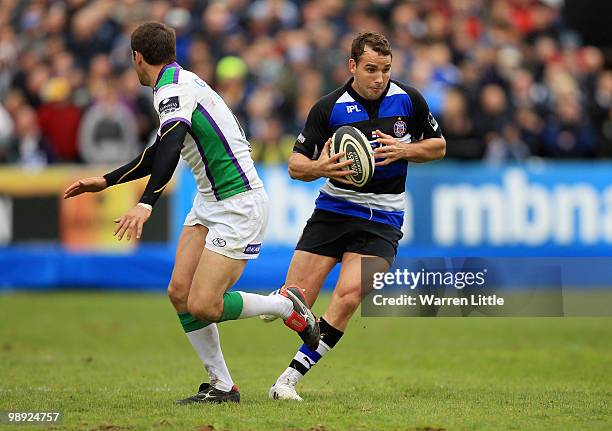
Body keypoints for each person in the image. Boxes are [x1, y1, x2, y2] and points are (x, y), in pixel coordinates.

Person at [63, 21, 319, 404]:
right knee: (180, 292)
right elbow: (160, 148)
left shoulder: (173, 88)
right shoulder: (177, 83)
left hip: (238, 202)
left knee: (204, 305)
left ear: (137, 57)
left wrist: (147, 201)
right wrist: (106, 180)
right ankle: (221, 386)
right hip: (209, 200)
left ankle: (285, 304)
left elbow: (170, 147)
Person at [266, 32, 446, 401]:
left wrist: (406, 149)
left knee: (348, 296)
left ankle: (288, 380)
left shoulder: (409, 100)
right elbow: (295, 165)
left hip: (383, 217)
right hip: (333, 211)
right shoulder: (328, 107)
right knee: (292, 303)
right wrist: (320, 166)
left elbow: (439, 146)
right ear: (352, 66)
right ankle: (298, 316)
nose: (379, 78)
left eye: (385, 69)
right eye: (370, 69)